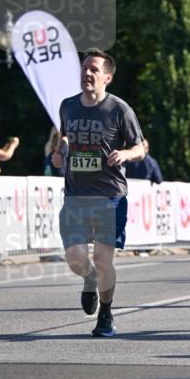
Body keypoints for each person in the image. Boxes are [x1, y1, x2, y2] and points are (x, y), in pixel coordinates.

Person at [52, 48, 145, 338]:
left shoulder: (119, 110)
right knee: (76, 260)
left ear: (108, 77)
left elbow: (141, 148)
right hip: (75, 196)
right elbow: (65, 136)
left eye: (94, 69)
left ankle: (106, 314)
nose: (87, 73)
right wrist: (61, 150)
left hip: (110, 197)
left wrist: (126, 154)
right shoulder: (67, 106)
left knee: (105, 260)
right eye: (84, 68)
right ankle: (89, 278)